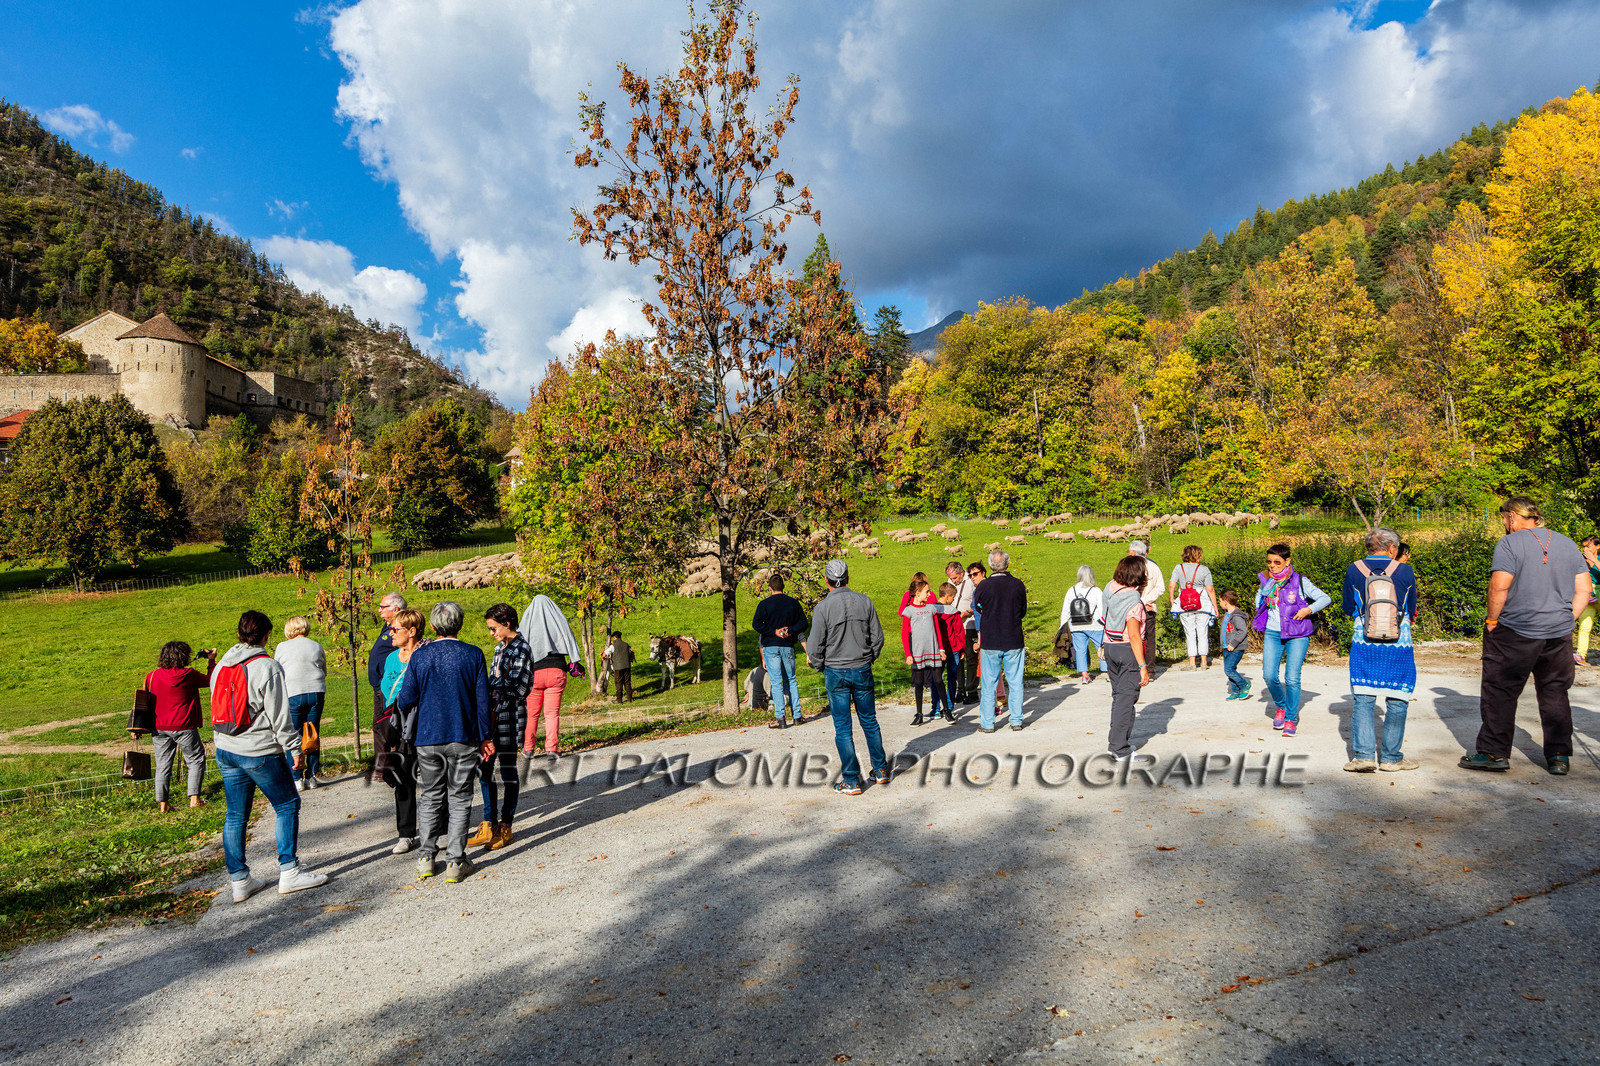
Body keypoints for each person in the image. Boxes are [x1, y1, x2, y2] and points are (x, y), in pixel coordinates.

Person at [1460, 498, 1593, 776]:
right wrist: (1568, 619)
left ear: (1511, 517)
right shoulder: (1567, 543)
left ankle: (1494, 753)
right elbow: (1584, 589)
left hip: (1515, 630)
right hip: (1557, 633)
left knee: (1500, 690)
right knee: (1555, 692)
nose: (1504, 525)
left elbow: (1499, 586)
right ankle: (1558, 756)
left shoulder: (1509, 543)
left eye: (1503, 519)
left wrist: (1492, 620)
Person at [213, 610, 327, 902]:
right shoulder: (267, 666)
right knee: (287, 804)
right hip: (258, 750)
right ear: (267, 634)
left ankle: (239, 880)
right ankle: (289, 871)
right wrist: (295, 749)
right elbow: (280, 717)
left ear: (239, 633)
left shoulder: (221, 667)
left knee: (236, 814)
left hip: (226, 748)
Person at [396, 601, 492, 883]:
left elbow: (405, 698)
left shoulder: (421, 657)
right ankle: (455, 861)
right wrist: (486, 735)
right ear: (460, 624)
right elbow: (482, 701)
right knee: (460, 797)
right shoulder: (473, 655)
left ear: (435, 626)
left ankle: (426, 858)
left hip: (428, 736)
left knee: (430, 796)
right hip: (464, 734)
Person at [1342, 527, 1420, 773]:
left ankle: (1364, 756)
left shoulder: (1354, 569)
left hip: (1364, 639)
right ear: (1393, 548)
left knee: (1364, 696)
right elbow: (1411, 607)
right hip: (1399, 640)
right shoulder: (1405, 570)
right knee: (1398, 697)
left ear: (1368, 547)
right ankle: (1391, 758)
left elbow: (1347, 607)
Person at [807, 559, 887, 795]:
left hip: (836, 670)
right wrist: (868, 658)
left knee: (843, 727)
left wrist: (822, 666)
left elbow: (814, 647)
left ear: (826, 581)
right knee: (869, 721)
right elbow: (878, 637)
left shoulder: (822, 608)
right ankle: (880, 770)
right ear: (848, 578)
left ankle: (851, 780)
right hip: (861, 667)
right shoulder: (865, 602)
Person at [469, 603, 532, 851]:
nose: (491, 633)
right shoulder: (498, 649)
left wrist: (489, 682)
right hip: (491, 716)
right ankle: (488, 822)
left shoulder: (522, 649)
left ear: (507, 623)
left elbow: (519, 687)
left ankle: (506, 825)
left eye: (493, 628)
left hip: (510, 717)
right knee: (484, 769)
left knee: (508, 772)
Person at [1252, 543, 1332, 737]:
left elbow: (1325, 598)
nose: (1272, 565)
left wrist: (1308, 609)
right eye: (1269, 561)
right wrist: (1265, 591)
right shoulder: (1266, 581)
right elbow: (1258, 604)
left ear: (1287, 561)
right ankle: (1281, 706)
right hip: (1272, 633)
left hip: (1297, 634)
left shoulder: (1300, 581)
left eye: (1277, 562)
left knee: (1292, 678)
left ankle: (1290, 719)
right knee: (1269, 675)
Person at [378, 607, 427, 854]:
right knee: (403, 779)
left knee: (434, 778)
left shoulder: (426, 654)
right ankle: (406, 834)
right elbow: (385, 689)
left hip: (423, 723)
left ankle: (440, 827)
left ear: (412, 631)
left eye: (395, 629)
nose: (390, 633)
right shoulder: (390, 658)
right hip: (399, 725)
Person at [145, 641, 215, 813]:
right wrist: (211, 661)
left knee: (162, 765)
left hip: (159, 726)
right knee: (195, 759)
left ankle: (163, 805)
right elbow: (210, 680)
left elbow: (144, 701)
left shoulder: (151, 676)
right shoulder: (188, 674)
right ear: (183, 656)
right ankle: (194, 800)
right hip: (184, 725)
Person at [518, 594, 583, 760]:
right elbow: (568, 637)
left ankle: (528, 749)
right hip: (556, 671)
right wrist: (575, 659)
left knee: (532, 714)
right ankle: (552, 749)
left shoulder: (528, 621)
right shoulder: (557, 619)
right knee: (552, 713)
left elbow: (519, 644)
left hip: (535, 673)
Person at [1101, 556, 1152, 764]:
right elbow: (1133, 635)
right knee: (1126, 699)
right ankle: (1119, 749)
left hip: (1110, 647)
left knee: (1118, 697)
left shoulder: (1110, 588)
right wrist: (1143, 666)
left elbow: (1104, 616)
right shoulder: (1133, 601)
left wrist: (1102, 645)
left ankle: (1118, 741)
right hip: (1127, 651)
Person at [974, 549, 1028, 733]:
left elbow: (978, 607)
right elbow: (1022, 611)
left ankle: (988, 723)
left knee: (988, 683)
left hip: (991, 640)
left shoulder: (983, 586)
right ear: (1007, 564)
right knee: (1015, 681)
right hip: (1013, 638)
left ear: (990, 566)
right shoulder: (1018, 585)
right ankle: (1016, 720)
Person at [275, 616, 327, 790]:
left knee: (294, 734)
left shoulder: (282, 647)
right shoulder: (316, 645)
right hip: (316, 691)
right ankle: (312, 776)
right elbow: (324, 669)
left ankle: (297, 777)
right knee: (312, 732)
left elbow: (278, 671)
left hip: (293, 692)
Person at [752, 573, 808, 728]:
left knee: (776, 682)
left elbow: (756, 624)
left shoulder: (764, 604)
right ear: (783, 587)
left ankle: (781, 719)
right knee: (791, 679)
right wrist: (790, 630)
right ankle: (797, 716)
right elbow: (804, 623)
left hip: (770, 646)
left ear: (770, 588)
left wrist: (773, 631)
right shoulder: (793, 603)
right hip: (787, 646)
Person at [901, 577, 958, 725]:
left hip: (933, 650)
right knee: (918, 682)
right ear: (918, 593)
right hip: (918, 652)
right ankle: (919, 714)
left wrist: (941, 649)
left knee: (938, 680)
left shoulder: (931, 609)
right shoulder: (908, 611)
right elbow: (904, 634)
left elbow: (937, 630)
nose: (929, 594)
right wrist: (908, 654)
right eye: (926, 591)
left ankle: (946, 711)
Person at [368, 592, 406, 782]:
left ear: (395, 609)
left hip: (390, 688)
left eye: (383, 607)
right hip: (382, 686)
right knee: (381, 725)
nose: (379, 609)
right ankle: (386, 766)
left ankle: (386, 769)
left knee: (385, 726)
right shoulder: (389, 627)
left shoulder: (401, 629)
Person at [1168, 545, 1215, 670]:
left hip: (1185, 604)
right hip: (1202, 604)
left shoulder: (1179, 568)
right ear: (1197, 556)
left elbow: (1172, 585)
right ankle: (1204, 661)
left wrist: (1172, 599)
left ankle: (1192, 662)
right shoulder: (1204, 569)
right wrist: (1214, 606)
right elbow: (1210, 589)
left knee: (1190, 633)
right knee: (1202, 632)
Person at [1061, 564, 1105, 684]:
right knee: (1101, 647)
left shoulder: (1072, 590)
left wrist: (1063, 625)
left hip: (1076, 625)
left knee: (1080, 650)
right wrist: (1104, 621)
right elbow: (1102, 608)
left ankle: (1084, 675)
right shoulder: (1096, 591)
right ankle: (1107, 672)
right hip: (1095, 625)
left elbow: (1066, 609)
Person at [1129, 540, 1164, 671]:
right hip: (1148, 606)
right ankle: (1148, 670)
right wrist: (1148, 600)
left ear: (1133, 552)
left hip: (1133, 608)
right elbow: (1160, 588)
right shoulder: (1153, 566)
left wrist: (1142, 600)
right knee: (1148, 638)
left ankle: (1137, 667)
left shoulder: (1131, 567)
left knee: (1133, 636)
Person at [935, 581, 967, 718]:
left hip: (938, 650)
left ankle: (936, 708)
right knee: (952, 678)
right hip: (953, 649)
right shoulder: (954, 613)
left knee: (936, 679)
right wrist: (963, 649)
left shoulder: (932, 611)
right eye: (953, 597)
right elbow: (959, 632)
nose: (953, 600)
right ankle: (950, 706)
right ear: (947, 596)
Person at [953, 561, 979, 703]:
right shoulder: (950, 583)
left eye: (955, 578)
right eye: (951, 578)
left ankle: (972, 690)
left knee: (970, 657)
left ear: (961, 573)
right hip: (956, 626)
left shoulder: (970, 582)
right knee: (958, 658)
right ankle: (960, 689)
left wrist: (968, 612)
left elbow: (976, 602)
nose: (953, 581)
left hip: (969, 624)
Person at [1218, 590, 1251, 701]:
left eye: (1220, 601)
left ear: (1226, 601)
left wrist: (1233, 644)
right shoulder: (1228, 615)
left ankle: (1244, 685)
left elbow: (1242, 631)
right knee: (1230, 669)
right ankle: (1236, 691)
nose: (1220, 603)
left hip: (1235, 648)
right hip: (1226, 647)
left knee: (1229, 669)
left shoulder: (1236, 616)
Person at [1575, 536, 1598, 666]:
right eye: (1583, 546)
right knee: (1584, 626)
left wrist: (1593, 559)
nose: (1585, 549)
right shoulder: (1581, 560)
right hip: (1588, 596)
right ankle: (1580, 655)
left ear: (1597, 546)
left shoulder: (1598, 558)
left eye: (1588, 546)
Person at [606, 631, 636, 703]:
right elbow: (630, 653)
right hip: (627, 666)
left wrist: (603, 657)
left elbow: (605, 654)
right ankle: (630, 698)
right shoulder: (626, 645)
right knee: (627, 682)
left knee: (618, 683)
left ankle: (619, 700)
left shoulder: (613, 646)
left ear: (614, 637)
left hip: (618, 668)